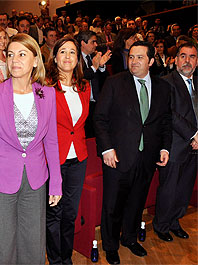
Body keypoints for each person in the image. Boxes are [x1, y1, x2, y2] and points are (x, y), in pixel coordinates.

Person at [0, 33, 62, 264]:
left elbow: (51, 141)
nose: (14, 60)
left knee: (33, 242)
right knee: (2, 245)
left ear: (35, 60)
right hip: (0, 178)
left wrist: (56, 182)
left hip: (36, 178)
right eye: (10, 54)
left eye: (22, 54)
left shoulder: (47, 94)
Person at [93, 41, 172, 265]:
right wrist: (107, 148)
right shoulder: (114, 83)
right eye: (131, 57)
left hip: (147, 158)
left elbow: (165, 121)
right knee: (112, 205)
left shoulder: (163, 87)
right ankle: (110, 246)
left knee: (137, 202)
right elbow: (100, 119)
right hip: (117, 157)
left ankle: (129, 238)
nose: (134, 61)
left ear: (151, 61)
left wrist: (165, 147)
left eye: (139, 57)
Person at [45, 37, 91, 264]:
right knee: (54, 213)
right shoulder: (45, 86)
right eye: (62, 51)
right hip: (54, 159)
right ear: (55, 57)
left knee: (70, 214)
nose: (67, 56)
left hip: (79, 157)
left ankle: (66, 257)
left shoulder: (84, 86)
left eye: (72, 52)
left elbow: (80, 125)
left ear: (77, 58)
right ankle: (55, 260)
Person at [153, 42, 198, 242]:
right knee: (169, 188)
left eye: (192, 56)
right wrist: (193, 135)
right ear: (175, 59)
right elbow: (169, 113)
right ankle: (161, 224)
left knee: (184, 188)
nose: (187, 60)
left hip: (196, 146)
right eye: (183, 56)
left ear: (197, 61)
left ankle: (174, 221)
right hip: (174, 146)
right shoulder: (165, 82)